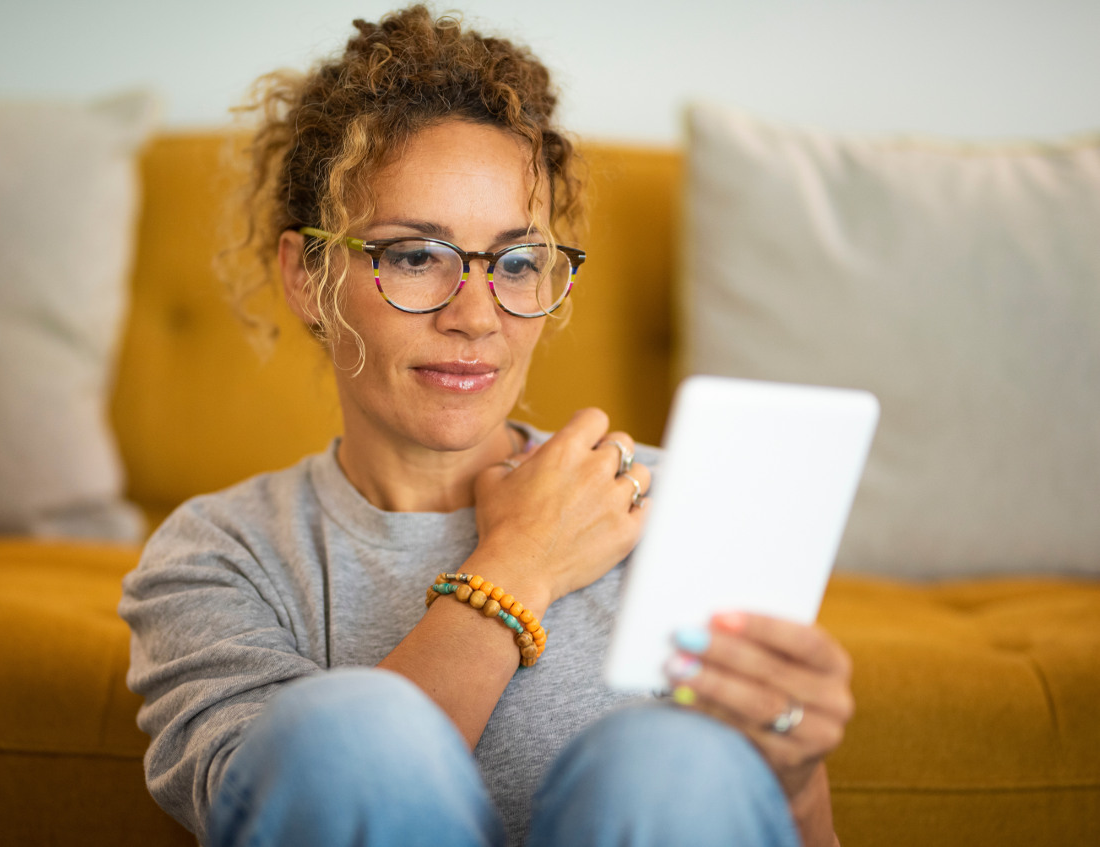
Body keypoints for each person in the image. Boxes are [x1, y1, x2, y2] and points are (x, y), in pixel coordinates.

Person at [119, 5, 853, 846]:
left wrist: (792, 777)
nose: (476, 316)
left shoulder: (678, 502)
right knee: (345, 731)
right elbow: (284, 809)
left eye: (515, 262)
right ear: (305, 275)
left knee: (673, 762)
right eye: (413, 255)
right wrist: (517, 565)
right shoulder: (216, 557)